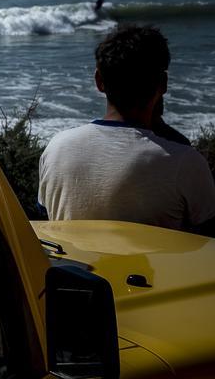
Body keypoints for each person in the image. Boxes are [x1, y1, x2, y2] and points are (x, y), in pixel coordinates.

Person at [37, 24, 215, 231]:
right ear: (163, 84)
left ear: (99, 81)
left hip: (72, 264)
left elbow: (44, 221)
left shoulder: (57, 148)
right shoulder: (185, 162)